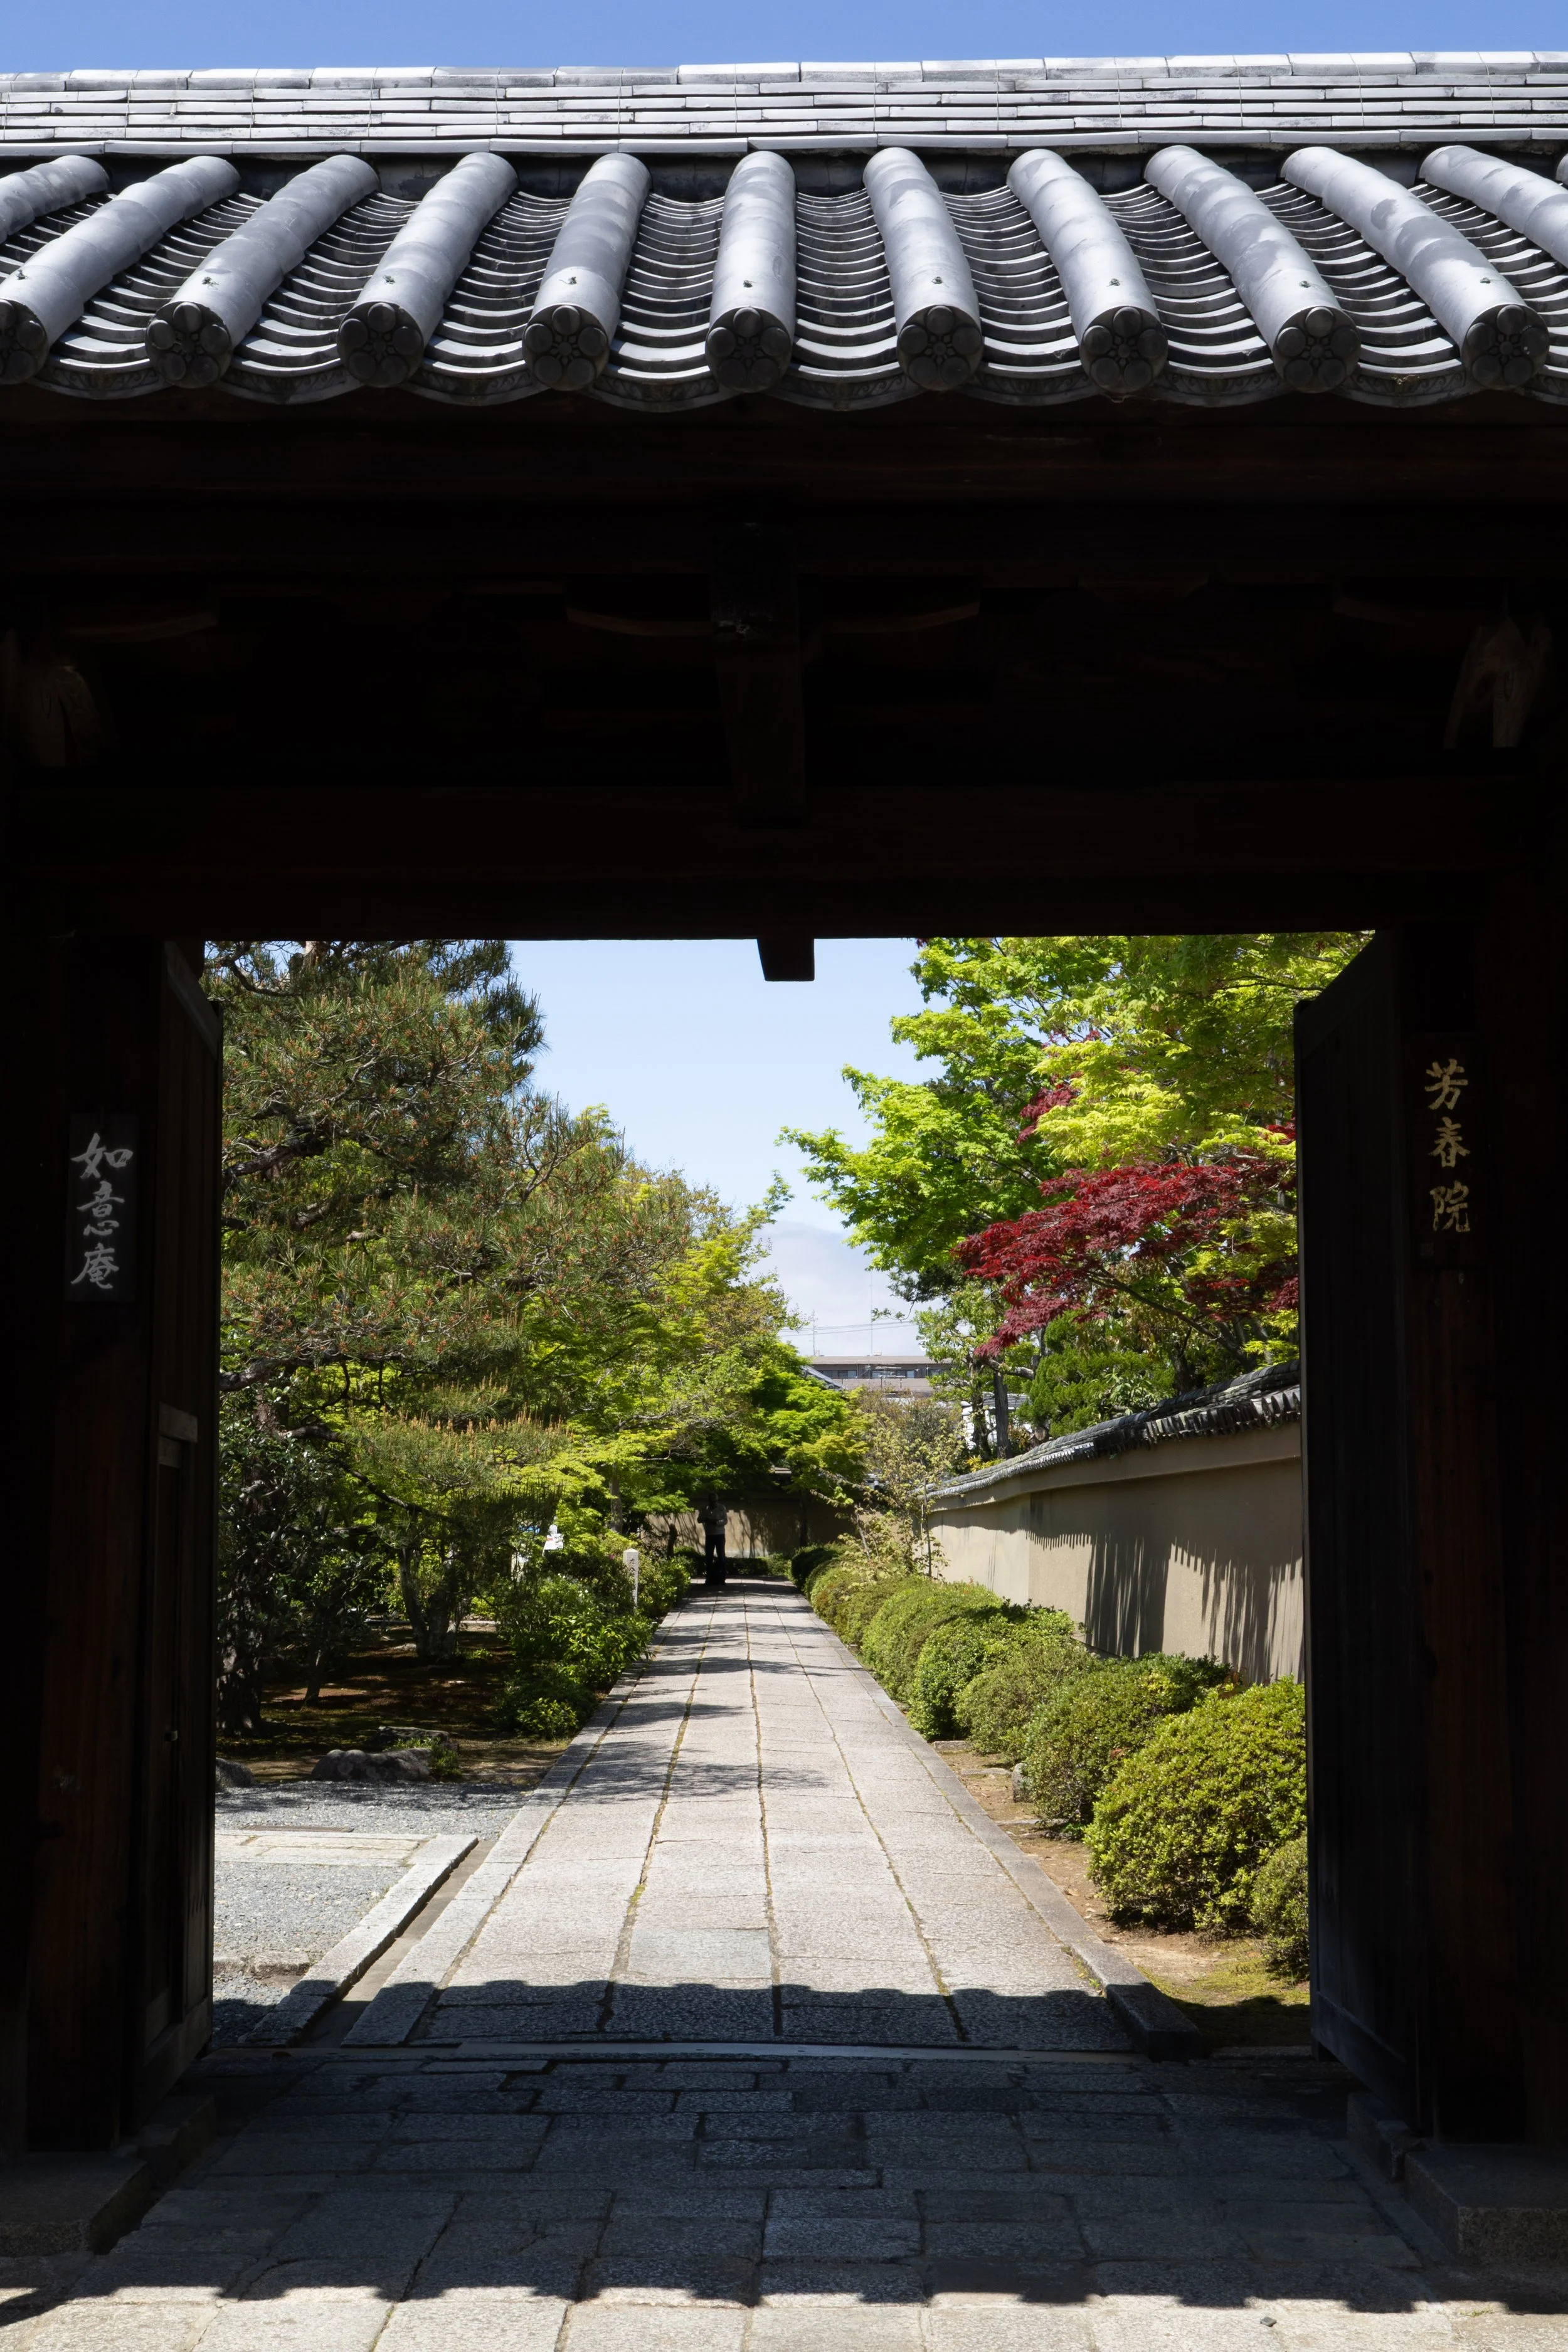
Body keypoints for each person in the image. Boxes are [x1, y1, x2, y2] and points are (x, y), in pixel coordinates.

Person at [698, 1494, 727, 1587]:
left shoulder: (722, 1508)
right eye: (713, 1501)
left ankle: (722, 1578)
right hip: (709, 1535)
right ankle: (709, 1578)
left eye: (716, 1501)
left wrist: (715, 1522)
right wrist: (706, 1519)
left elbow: (725, 1521)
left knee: (721, 1556)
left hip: (720, 1535)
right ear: (709, 1501)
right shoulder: (705, 1509)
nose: (715, 1503)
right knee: (709, 1557)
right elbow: (699, 1520)